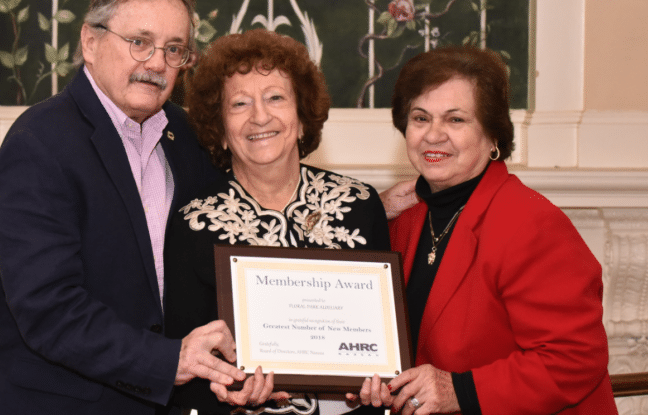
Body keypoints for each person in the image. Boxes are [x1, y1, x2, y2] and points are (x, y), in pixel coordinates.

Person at [0, 0, 261, 413]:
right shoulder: (38, 145)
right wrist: (168, 360)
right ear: (90, 42)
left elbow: (239, 221)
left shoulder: (184, 135)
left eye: (174, 49)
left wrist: (342, 210)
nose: (157, 63)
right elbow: (49, 310)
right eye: (139, 42)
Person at [350, 46, 618, 414]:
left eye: (456, 120)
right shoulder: (407, 219)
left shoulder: (532, 224)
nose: (433, 135)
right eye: (420, 118)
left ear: (492, 135)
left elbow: (574, 357)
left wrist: (459, 390)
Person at [163, 28, 391, 415]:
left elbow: (386, 346)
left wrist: (382, 383)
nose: (260, 116)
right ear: (219, 129)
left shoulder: (360, 204)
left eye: (275, 98)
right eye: (239, 104)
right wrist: (233, 388)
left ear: (302, 118)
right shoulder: (192, 223)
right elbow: (187, 364)